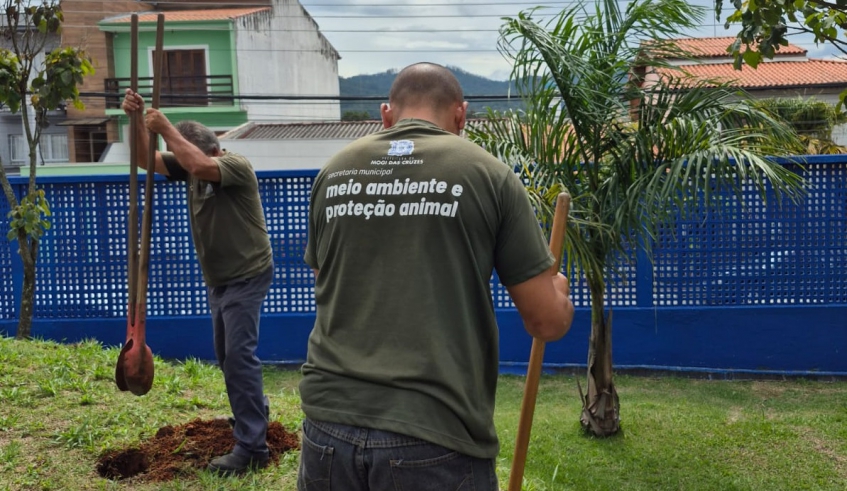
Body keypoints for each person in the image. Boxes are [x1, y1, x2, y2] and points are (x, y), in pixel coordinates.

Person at [298, 63, 575, 490]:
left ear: (385, 115)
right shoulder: (488, 174)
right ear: (461, 117)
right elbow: (546, 322)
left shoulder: (334, 172)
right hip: (433, 434)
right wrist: (558, 293)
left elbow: (326, 279)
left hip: (328, 425)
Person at [121, 89, 274, 475]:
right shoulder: (190, 167)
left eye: (193, 157)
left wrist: (167, 127)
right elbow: (144, 158)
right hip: (219, 279)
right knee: (227, 356)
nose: (189, 168)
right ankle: (254, 419)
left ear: (213, 150)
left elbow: (202, 166)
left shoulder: (234, 165)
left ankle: (253, 448)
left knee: (239, 357)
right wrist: (137, 120)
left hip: (248, 272)